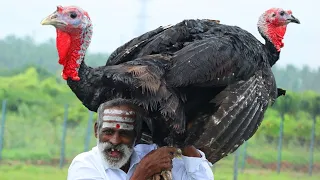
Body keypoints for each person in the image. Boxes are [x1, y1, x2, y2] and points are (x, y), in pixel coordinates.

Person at [67, 98, 214, 180]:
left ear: (136, 136)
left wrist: (180, 136)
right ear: (96, 131)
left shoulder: (154, 156)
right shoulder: (85, 165)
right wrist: (143, 171)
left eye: (124, 134)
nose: (115, 141)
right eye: (108, 132)